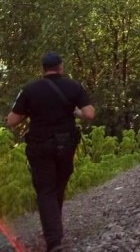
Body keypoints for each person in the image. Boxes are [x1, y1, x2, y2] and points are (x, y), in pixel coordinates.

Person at [5, 53, 95, 252]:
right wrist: (76, 112)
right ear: (61, 67)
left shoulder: (29, 90)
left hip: (40, 146)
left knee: (46, 191)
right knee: (57, 187)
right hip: (67, 144)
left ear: (43, 69)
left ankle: (54, 241)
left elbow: (12, 120)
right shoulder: (74, 86)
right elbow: (89, 114)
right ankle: (55, 232)